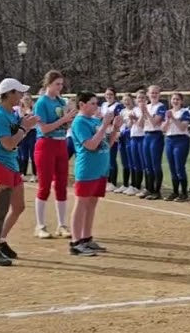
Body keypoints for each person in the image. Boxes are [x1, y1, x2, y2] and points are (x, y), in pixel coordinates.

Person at [0, 78, 40, 267]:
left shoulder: (10, 113)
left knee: (18, 207)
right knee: (2, 210)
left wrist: (25, 123)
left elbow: (17, 131)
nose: (22, 96)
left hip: (10, 164)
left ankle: (1, 240)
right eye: (19, 92)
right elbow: (8, 143)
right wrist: (25, 127)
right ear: (9, 94)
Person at [68, 92, 119, 256]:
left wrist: (115, 129)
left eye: (97, 103)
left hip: (100, 169)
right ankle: (75, 242)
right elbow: (90, 145)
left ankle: (86, 238)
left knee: (92, 204)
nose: (96, 106)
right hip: (87, 169)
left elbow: (106, 144)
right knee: (81, 204)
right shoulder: (80, 122)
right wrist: (105, 125)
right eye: (92, 103)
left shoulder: (95, 121)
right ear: (82, 105)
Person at [32, 70, 76, 239]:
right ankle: (40, 225)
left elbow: (62, 126)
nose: (60, 87)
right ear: (48, 84)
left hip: (60, 143)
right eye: (57, 84)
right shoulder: (42, 102)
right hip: (45, 144)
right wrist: (63, 121)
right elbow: (43, 128)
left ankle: (62, 224)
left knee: (61, 185)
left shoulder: (60, 101)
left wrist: (68, 120)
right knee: (44, 186)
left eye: (61, 84)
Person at [164, 91, 190, 201]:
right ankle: (175, 191)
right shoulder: (168, 112)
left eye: (177, 99)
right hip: (169, 139)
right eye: (173, 99)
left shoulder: (184, 112)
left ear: (181, 101)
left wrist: (173, 118)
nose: (175, 101)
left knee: (179, 166)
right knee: (172, 167)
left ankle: (184, 193)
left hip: (181, 140)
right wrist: (167, 119)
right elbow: (163, 128)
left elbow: (182, 127)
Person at [140, 84, 168, 200]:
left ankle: (157, 190)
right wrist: (143, 113)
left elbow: (155, 123)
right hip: (146, 135)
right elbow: (141, 125)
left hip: (156, 135)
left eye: (156, 93)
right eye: (152, 93)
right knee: (147, 164)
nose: (154, 95)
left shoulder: (161, 107)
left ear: (159, 94)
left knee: (155, 164)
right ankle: (149, 188)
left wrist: (146, 112)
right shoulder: (147, 106)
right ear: (148, 94)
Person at [101, 87, 125, 189]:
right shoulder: (103, 105)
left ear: (114, 95)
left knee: (111, 158)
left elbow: (116, 120)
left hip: (112, 133)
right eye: (107, 94)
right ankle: (106, 179)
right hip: (103, 133)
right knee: (104, 158)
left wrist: (105, 119)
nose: (109, 96)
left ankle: (113, 182)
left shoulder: (118, 106)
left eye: (111, 94)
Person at [128, 90, 148, 197]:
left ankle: (146, 186)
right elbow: (130, 125)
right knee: (135, 162)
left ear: (146, 99)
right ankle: (135, 185)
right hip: (134, 136)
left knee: (143, 162)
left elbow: (141, 124)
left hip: (142, 137)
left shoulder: (146, 109)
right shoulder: (134, 109)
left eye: (142, 98)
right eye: (138, 98)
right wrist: (132, 119)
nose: (140, 100)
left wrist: (136, 117)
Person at [16, 93, 37, 182]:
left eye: (28, 99)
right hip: (23, 132)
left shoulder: (34, 110)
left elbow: (35, 120)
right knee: (23, 154)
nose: (27, 101)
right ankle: (22, 173)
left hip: (32, 132)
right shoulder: (18, 110)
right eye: (25, 99)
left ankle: (34, 174)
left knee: (33, 154)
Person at [116, 93, 135, 194]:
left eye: (128, 100)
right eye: (124, 100)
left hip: (130, 137)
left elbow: (131, 125)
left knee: (131, 161)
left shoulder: (134, 110)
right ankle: (125, 184)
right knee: (124, 162)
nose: (126, 102)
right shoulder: (122, 111)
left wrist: (124, 130)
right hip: (122, 138)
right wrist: (118, 132)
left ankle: (133, 185)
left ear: (132, 100)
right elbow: (120, 124)